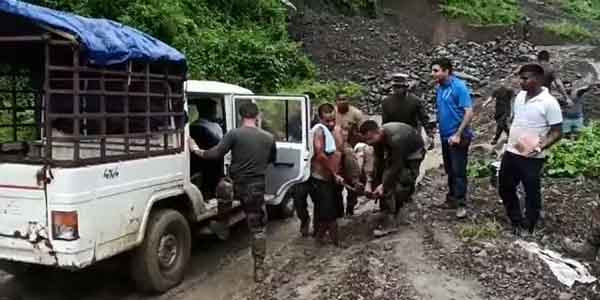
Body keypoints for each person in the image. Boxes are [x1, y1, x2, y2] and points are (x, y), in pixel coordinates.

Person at [192, 102, 277, 282]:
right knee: (258, 230)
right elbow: (271, 160)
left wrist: (196, 150)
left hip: (236, 185)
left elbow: (215, 154)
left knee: (223, 187)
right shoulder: (269, 137)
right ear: (257, 116)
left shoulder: (234, 134)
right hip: (256, 188)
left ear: (240, 116)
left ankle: (223, 224)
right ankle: (259, 268)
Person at [499, 64, 563, 237]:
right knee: (505, 186)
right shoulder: (520, 96)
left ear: (538, 79)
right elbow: (517, 120)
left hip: (532, 155)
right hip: (513, 150)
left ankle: (529, 224)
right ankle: (516, 219)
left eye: (525, 78)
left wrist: (540, 146)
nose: (521, 82)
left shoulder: (549, 103)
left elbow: (557, 131)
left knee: (531, 191)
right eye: (520, 78)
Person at [360, 120, 425, 237]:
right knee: (384, 178)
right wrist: (372, 182)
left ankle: (391, 220)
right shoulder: (379, 138)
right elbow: (379, 161)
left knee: (403, 180)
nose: (368, 143)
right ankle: (386, 209)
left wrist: (384, 185)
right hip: (397, 152)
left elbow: (396, 166)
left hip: (413, 154)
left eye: (370, 139)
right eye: (366, 140)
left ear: (377, 132)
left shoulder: (396, 139)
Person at [293, 103, 344, 244]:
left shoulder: (337, 131)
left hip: (332, 178)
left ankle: (319, 236)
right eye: (327, 121)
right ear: (320, 119)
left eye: (333, 119)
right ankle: (335, 243)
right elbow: (320, 155)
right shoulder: (319, 132)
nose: (331, 123)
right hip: (320, 178)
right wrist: (334, 173)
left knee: (328, 210)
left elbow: (340, 153)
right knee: (328, 212)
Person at [431, 58, 474, 219]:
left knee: (458, 171)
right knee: (449, 169)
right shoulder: (440, 88)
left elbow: (469, 112)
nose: (433, 74)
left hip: (458, 136)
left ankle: (461, 204)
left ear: (447, 71)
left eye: (436, 70)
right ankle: (452, 198)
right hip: (444, 136)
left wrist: (458, 134)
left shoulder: (459, 87)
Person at [382, 73, 435, 149]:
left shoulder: (415, 101)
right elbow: (385, 123)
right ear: (392, 87)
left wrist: (430, 136)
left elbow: (424, 119)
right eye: (396, 87)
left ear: (406, 87)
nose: (397, 89)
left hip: (411, 138)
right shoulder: (386, 102)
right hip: (393, 139)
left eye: (400, 87)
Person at [335, 92, 366, 216]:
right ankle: (338, 212)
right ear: (336, 101)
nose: (342, 101)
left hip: (352, 150)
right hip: (336, 151)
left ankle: (350, 210)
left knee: (352, 181)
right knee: (336, 186)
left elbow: (364, 133)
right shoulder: (333, 113)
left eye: (345, 99)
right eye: (340, 99)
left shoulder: (356, 114)